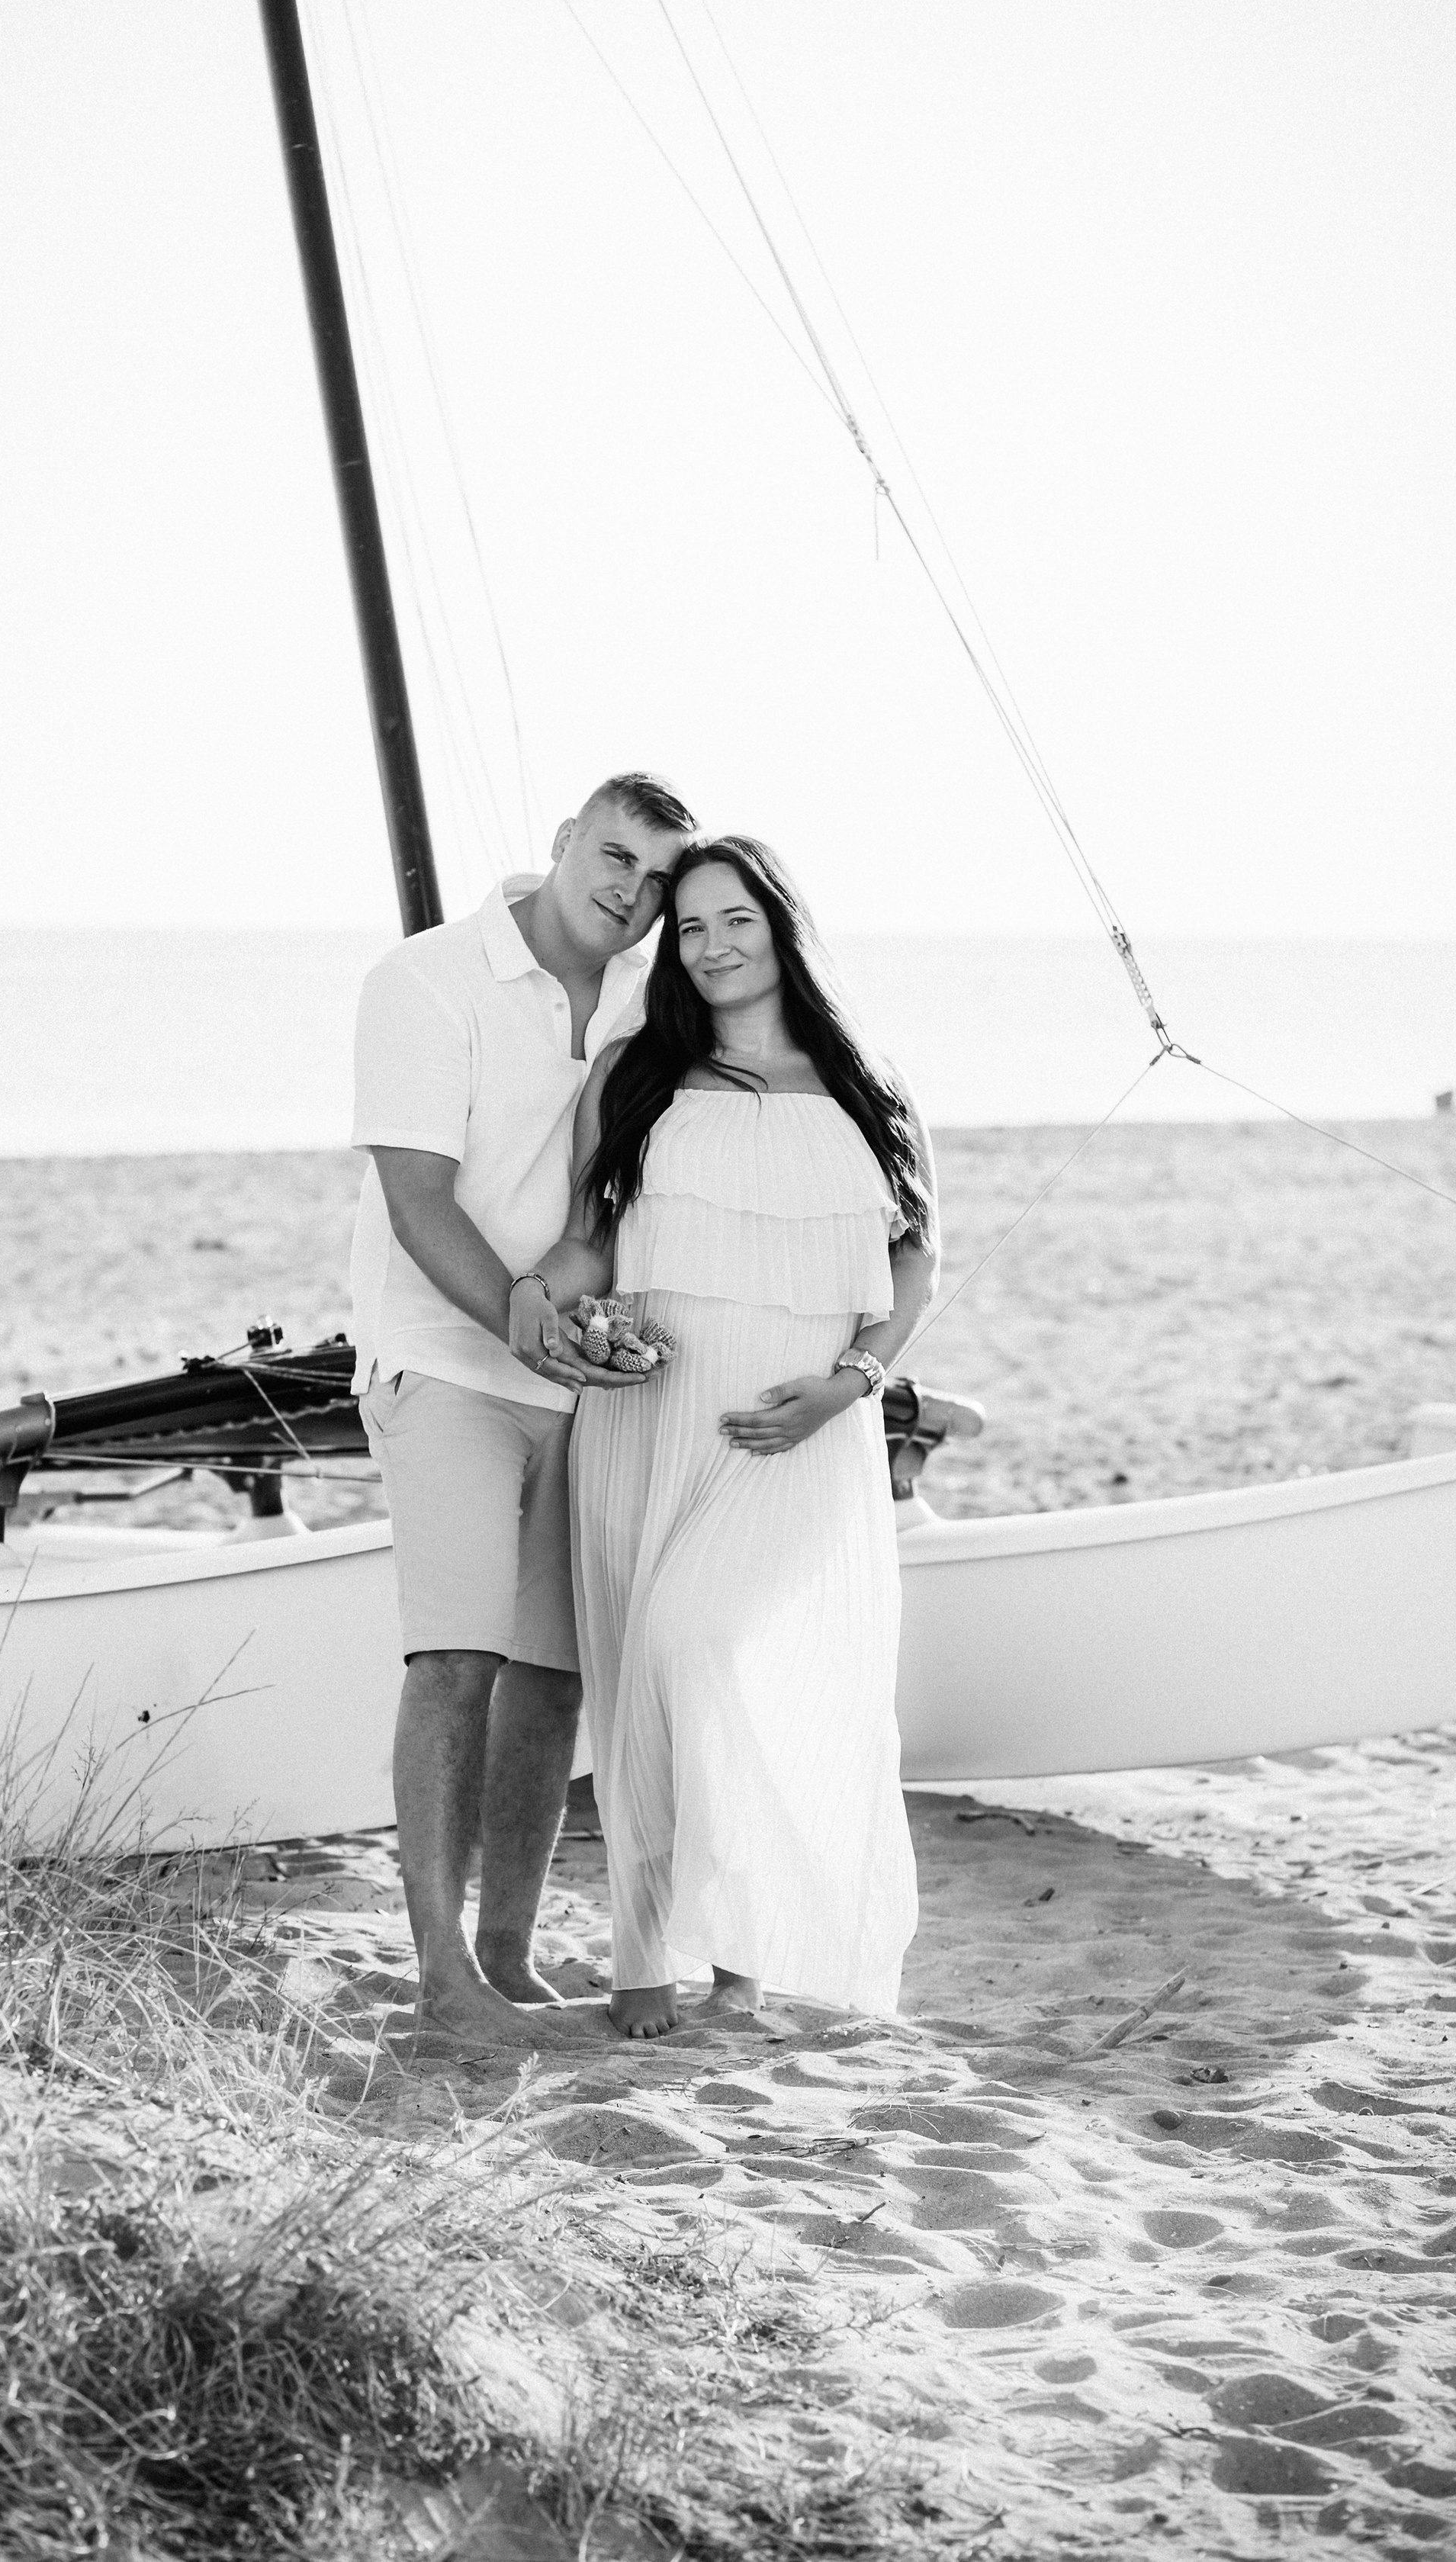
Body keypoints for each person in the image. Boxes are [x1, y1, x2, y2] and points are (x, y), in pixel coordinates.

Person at [507, 836, 935, 2036]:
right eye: (689, 929)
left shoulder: (869, 1081)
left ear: (781, 924)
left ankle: (744, 1932)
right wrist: (552, 1290)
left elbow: (917, 1263)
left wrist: (849, 1384)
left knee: (709, 1652)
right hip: (648, 1415)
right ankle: (651, 1956)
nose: (713, 946)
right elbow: (590, 1237)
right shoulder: (638, 1076)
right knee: (645, 1680)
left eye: (735, 919)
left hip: (797, 1433)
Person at [351, 773, 697, 2043]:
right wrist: (523, 1321)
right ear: (562, 844)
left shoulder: (644, 1005)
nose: (631, 892)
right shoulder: (428, 981)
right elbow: (417, 1199)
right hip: (444, 1361)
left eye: (659, 878)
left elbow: (609, 1204)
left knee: (553, 1677)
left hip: (574, 1369)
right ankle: (441, 1979)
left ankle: (505, 1955)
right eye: (615, 857)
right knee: (456, 1661)